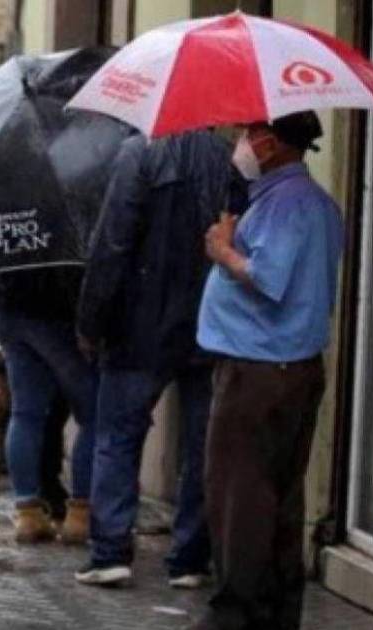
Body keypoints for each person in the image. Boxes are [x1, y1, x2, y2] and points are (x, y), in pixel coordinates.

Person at [190, 112, 343, 630]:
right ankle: (275, 612)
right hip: (288, 366)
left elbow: (267, 277)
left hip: (258, 370)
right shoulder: (311, 201)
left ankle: (237, 613)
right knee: (277, 497)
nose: (239, 143)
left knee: (240, 498)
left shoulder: (286, 202)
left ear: (270, 143)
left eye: (246, 134)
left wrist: (223, 251)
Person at [73, 130, 239, 588]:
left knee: (118, 437)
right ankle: (190, 559)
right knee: (202, 442)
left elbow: (112, 242)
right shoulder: (229, 159)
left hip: (139, 325)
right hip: (209, 324)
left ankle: (110, 551)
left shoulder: (138, 154)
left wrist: (90, 321)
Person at [0, 250, 96, 544]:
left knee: (26, 414)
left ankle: (28, 513)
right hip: (59, 309)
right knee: (93, 416)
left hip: (9, 306)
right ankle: (80, 514)